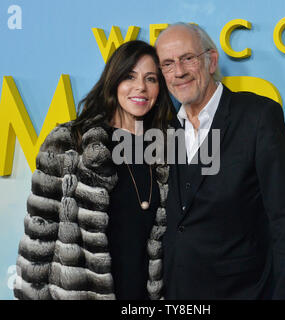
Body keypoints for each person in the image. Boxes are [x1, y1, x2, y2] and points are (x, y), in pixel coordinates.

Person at [155, 23, 285, 299]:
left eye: (188, 58)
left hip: (243, 292)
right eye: (167, 64)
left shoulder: (258, 117)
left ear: (211, 60)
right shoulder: (164, 130)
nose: (179, 72)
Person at [13, 40, 172, 300]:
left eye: (151, 79)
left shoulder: (166, 152)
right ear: (114, 81)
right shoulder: (69, 141)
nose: (140, 87)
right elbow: (38, 239)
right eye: (129, 76)